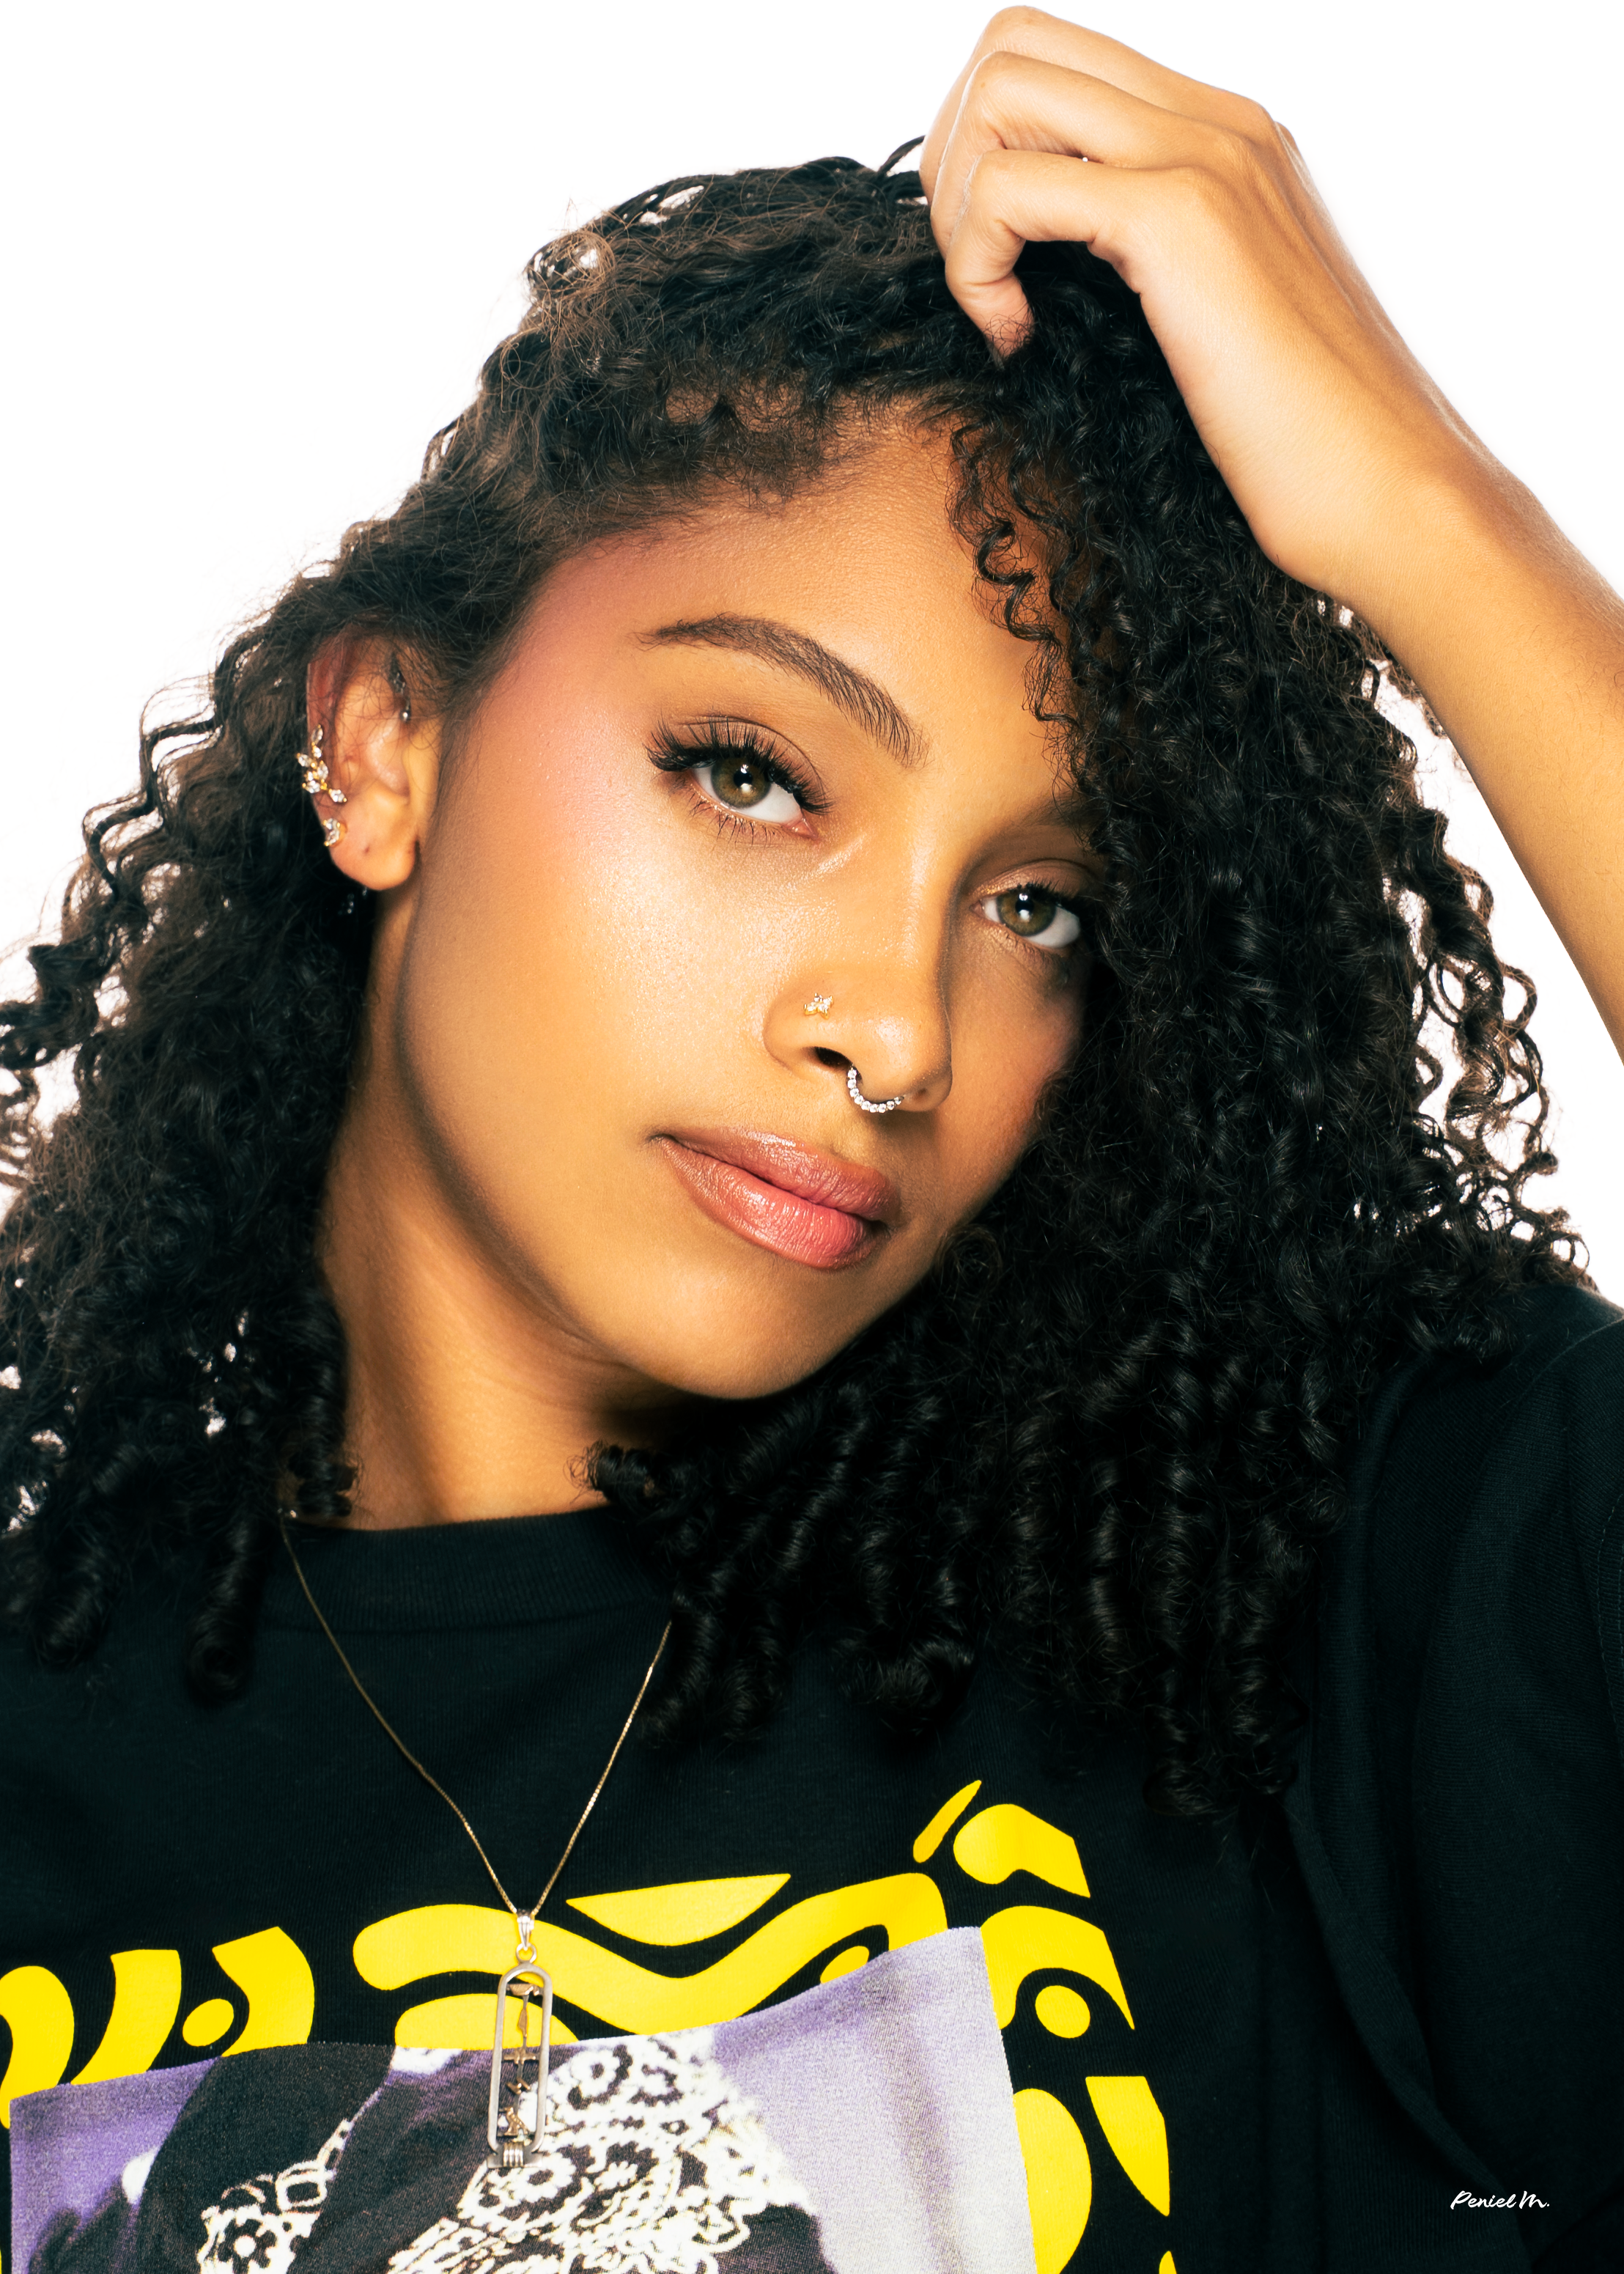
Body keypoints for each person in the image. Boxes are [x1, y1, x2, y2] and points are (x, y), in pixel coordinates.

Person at [3, 12, 1621, 2271]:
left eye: (1039, 904)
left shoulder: (1289, 1611)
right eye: (754, 769)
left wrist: (1441, 527)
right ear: (381, 738)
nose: (899, 1025)